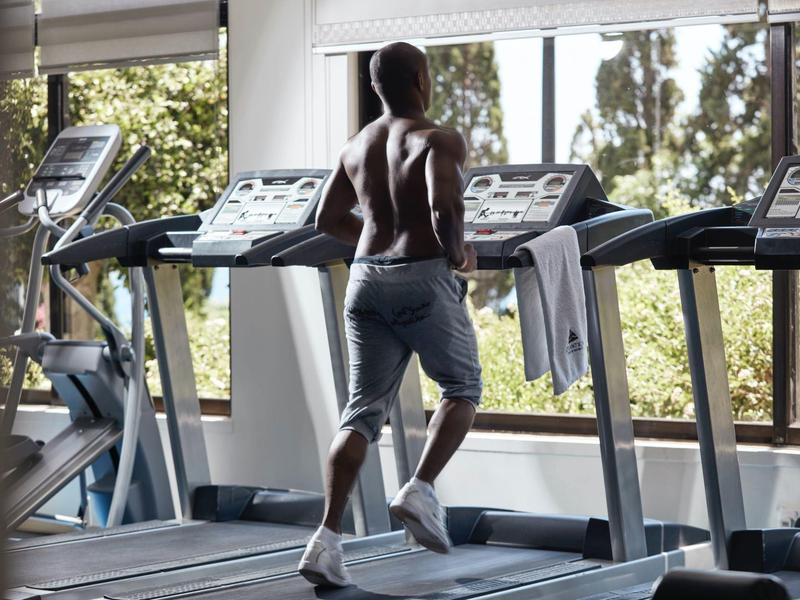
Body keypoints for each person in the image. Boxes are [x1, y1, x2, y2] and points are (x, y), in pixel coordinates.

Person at [297, 41, 483, 588]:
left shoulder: (355, 145)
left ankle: (325, 541)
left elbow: (327, 217)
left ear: (376, 87)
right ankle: (420, 489)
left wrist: (374, 246)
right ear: (422, 80)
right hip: (422, 277)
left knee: (360, 412)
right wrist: (456, 252)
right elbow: (443, 205)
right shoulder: (438, 138)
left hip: (364, 281)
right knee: (462, 386)